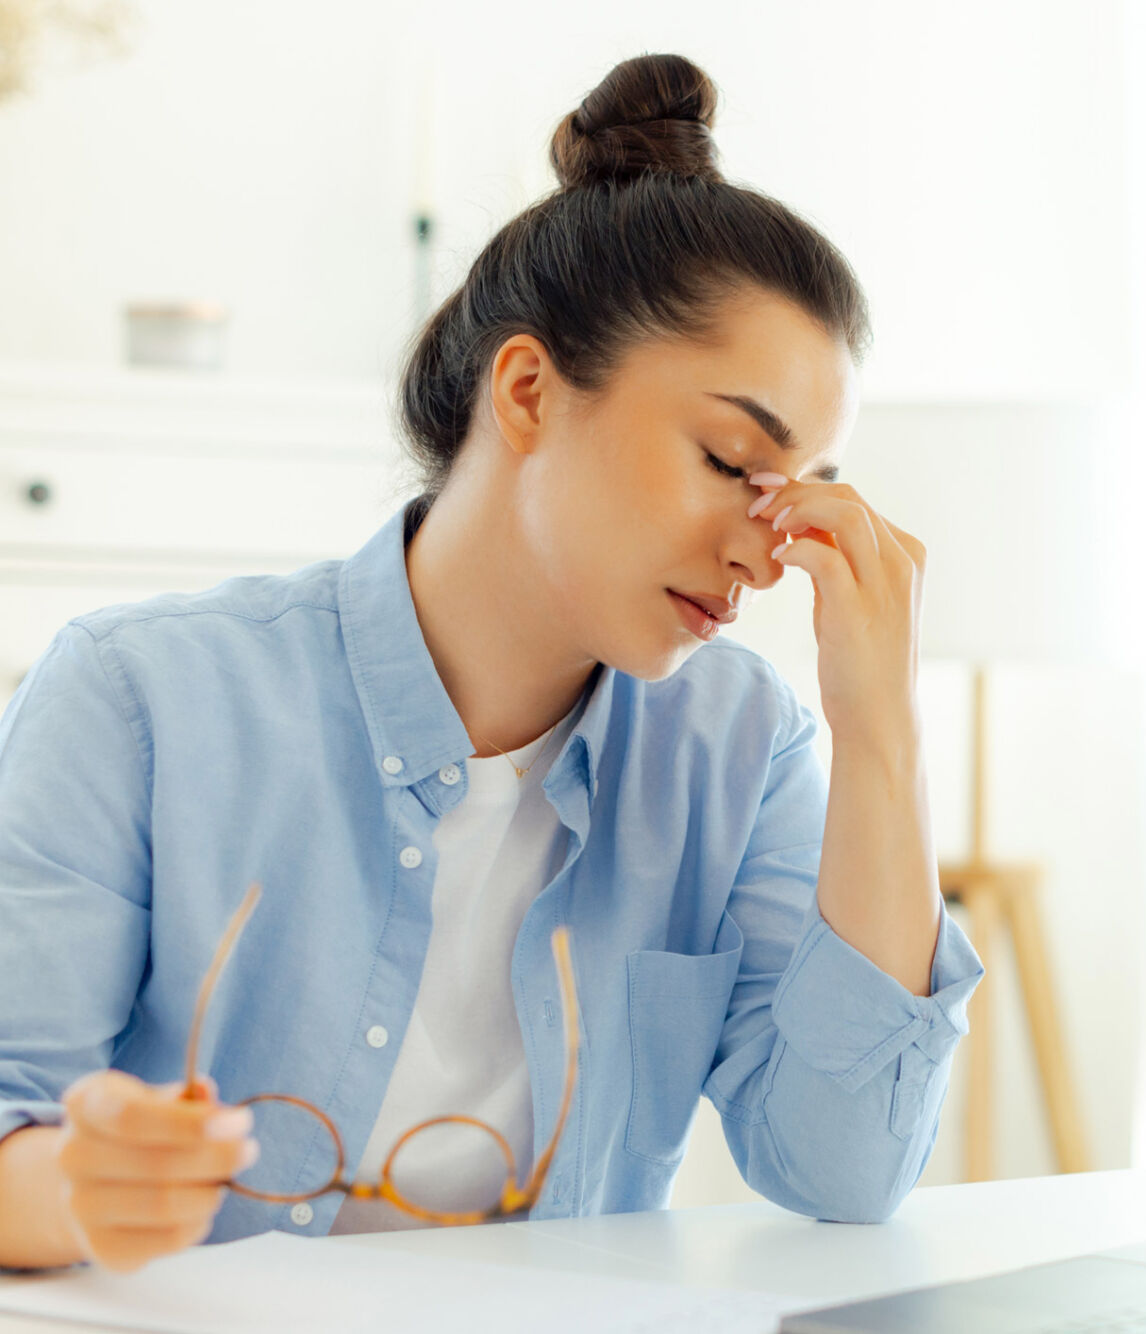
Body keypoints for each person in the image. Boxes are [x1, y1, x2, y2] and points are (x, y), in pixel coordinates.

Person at [0, 52, 982, 1273]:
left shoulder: (742, 745)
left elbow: (846, 1167)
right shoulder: (137, 698)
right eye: (733, 462)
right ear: (526, 389)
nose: (764, 549)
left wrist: (881, 726)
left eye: (797, 496)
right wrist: (80, 1187)